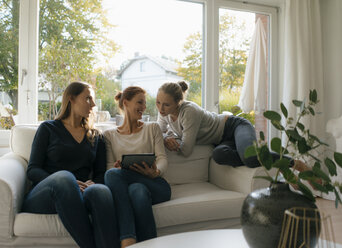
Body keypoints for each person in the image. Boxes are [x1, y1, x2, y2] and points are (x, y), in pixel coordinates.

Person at [22, 81, 119, 248]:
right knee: (65, 178)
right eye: (88, 98)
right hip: (46, 195)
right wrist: (70, 182)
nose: (93, 104)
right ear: (71, 99)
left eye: (93, 99)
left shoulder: (96, 136)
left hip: (80, 194)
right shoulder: (48, 128)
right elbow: (33, 170)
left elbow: (100, 173)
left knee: (100, 191)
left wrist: (93, 183)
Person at [156, 81, 311, 172]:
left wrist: (170, 139)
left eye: (166, 105)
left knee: (249, 158)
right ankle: (254, 155)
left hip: (234, 126)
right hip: (221, 140)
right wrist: (165, 138)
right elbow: (158, 133)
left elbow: (186, 150)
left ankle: (295, 164)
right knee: (219, 155)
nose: (160, 109)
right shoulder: (163, 113)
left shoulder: (189, 111)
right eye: (158, 102)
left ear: (178, 102)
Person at [104, 86, 171, 248]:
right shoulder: (109, 136)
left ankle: (127, 239)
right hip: (129, 187)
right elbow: (108, 168)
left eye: (145, 103)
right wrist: (119, 168)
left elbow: (162, 158)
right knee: (136, 190)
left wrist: (156, 172)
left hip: (156, 184)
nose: (143, 107)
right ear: (125, 103)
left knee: (114, 176)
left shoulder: (152, 128)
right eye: (139, 102)